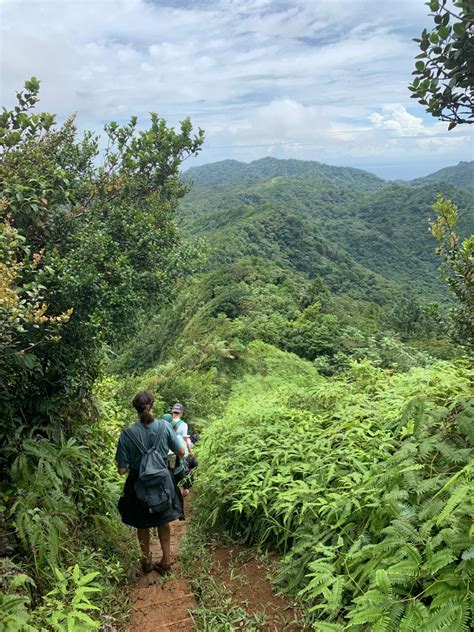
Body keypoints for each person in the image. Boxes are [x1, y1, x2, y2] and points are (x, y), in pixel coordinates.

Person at [116, 390, 184, 574]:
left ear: (135, 409)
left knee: (142, 522)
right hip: (162, 481)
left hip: (138, 484)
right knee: (163, 521)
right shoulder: (164, 426)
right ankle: (166, 561)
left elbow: (122, 470)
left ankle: (146, 562)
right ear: (151, 406)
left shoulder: (127, 434)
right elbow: (181, 452)